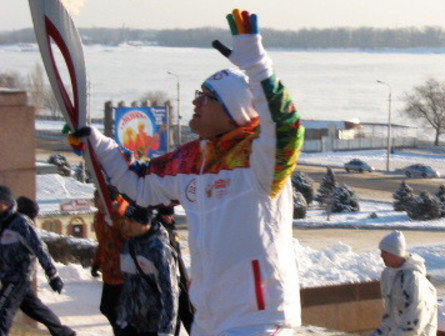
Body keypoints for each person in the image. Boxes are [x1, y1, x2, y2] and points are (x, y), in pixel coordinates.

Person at [70, 8, 304, 335]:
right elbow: (138, 183)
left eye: (207, 98)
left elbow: (286, 127)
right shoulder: (192, 159)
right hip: (209, 317)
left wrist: (257, 66)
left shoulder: (259, 158)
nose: (196, 103)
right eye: (199, 94)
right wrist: (97, 144)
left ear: (232, 112)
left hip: (259, 318)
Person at [0, 185, 75, 336]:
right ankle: (64, 333)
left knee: (2, 311)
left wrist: (52, 275)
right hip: (8, 276)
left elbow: (40, 249)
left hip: (19, 277)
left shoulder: (20, 223)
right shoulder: (2, 222)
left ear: (5, 203)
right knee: (34, 309)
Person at [117, 204, 178, 336]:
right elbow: (127, 288)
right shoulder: (128, 247)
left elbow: (170, 293)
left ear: (144, 222)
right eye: (126, 220)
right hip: (130, 325)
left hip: (154, 327)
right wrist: (122, 319)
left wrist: (166, 330)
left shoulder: (159, 250)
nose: (126, 225)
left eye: (131, 221)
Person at [369, 230, 438, 336]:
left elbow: (414, 322)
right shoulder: (389, 274)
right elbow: (391, 317)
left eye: (384, 252)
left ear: (394, 253)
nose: (381, 255)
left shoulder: (414, 280)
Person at [91, 187, 129, 336]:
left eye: (97, 198)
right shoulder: (100, 216)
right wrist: (96, 262)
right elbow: (102, 242)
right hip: (109, 272)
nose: (94, 202)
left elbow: (130, 241)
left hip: (123, 274)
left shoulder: (121, 215)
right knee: (107, 307)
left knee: (117, 310)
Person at [154, 206, 194, 334]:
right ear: (162, 216)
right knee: (179, 315)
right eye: (168, 215)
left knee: (186, 314)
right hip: (171, 279)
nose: (171, 218)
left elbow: (179, 257)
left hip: (178, 279)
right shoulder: (161, 232)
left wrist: (185, 278)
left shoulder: (171, 229)